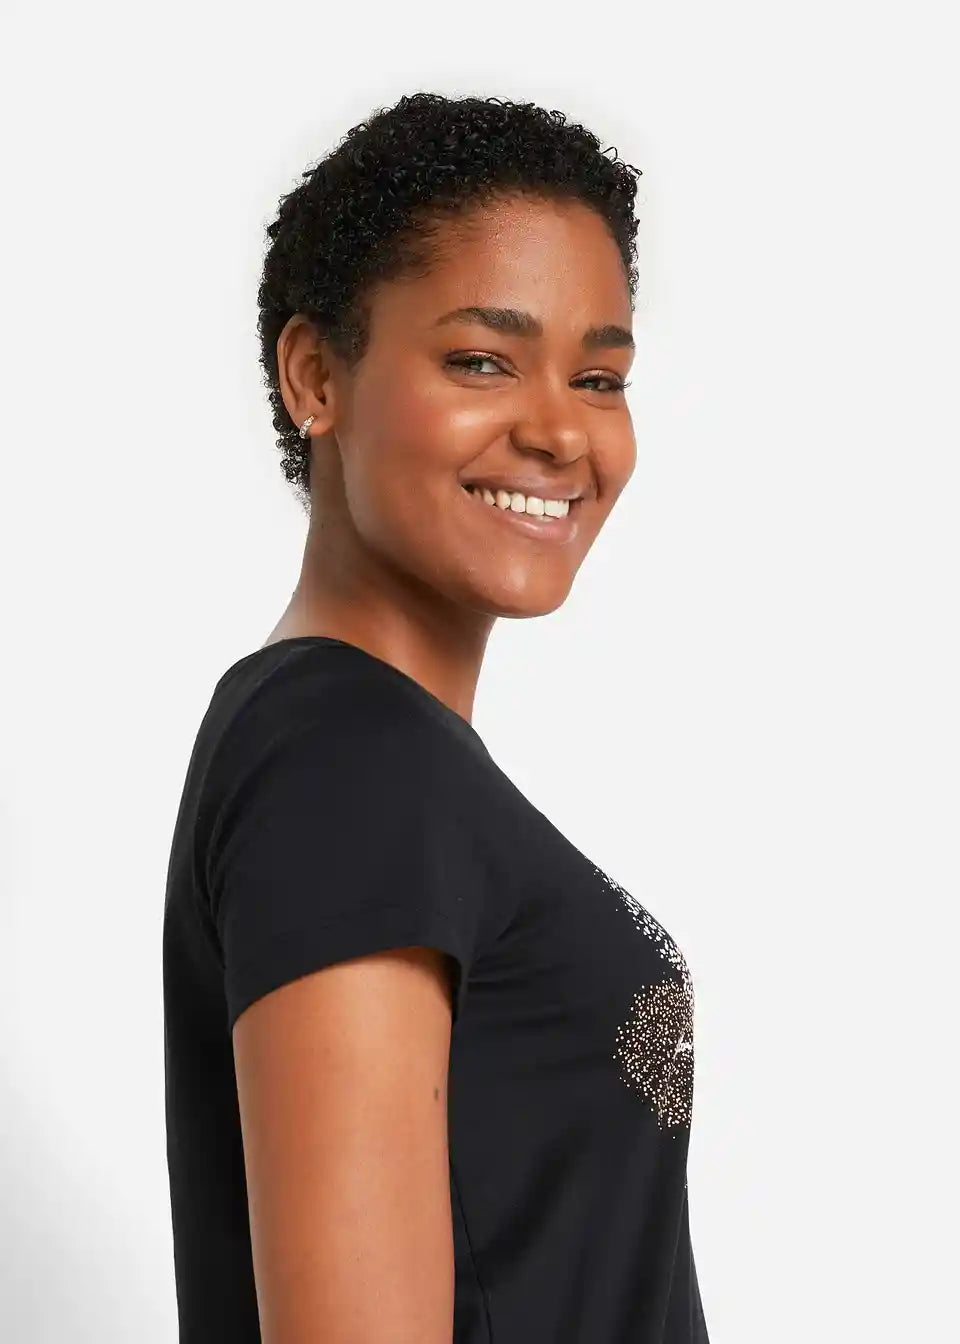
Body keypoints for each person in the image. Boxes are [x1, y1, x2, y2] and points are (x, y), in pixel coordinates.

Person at [162, 91, 710, 1343]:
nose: (559, 429)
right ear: (317, 375)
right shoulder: (342, 759)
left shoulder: (372, 753)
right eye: (481, 361)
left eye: (599, 377)